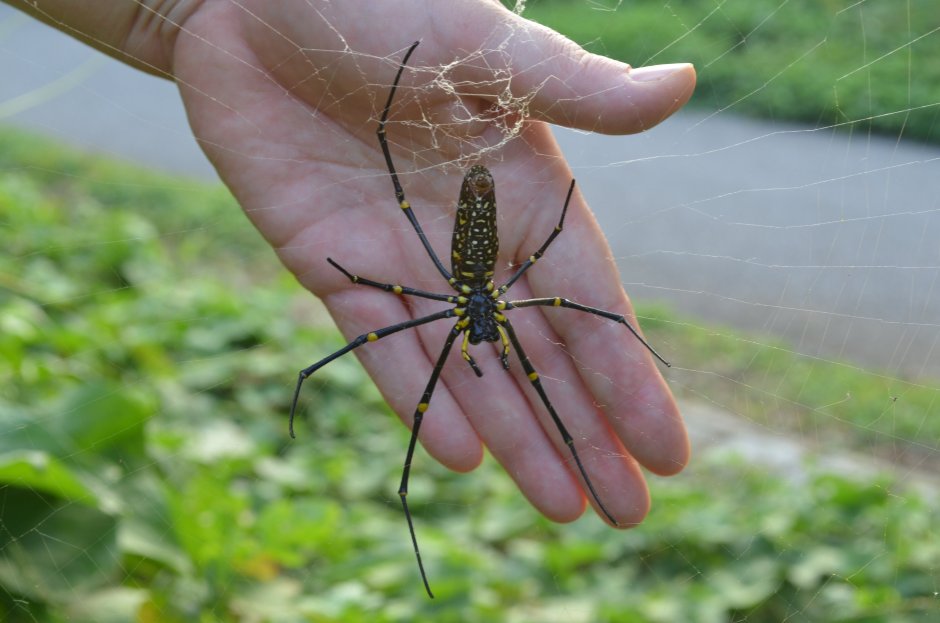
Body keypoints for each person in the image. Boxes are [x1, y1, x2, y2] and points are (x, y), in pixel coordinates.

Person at [7, 0, 695, 526]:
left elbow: (571, 296)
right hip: (474, 260)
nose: (485, 335)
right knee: (499, 370)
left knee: (536, 360)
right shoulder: (488, 306)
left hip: (471, 258)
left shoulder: (472, 310)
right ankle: (420, 486)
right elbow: (541, 290)